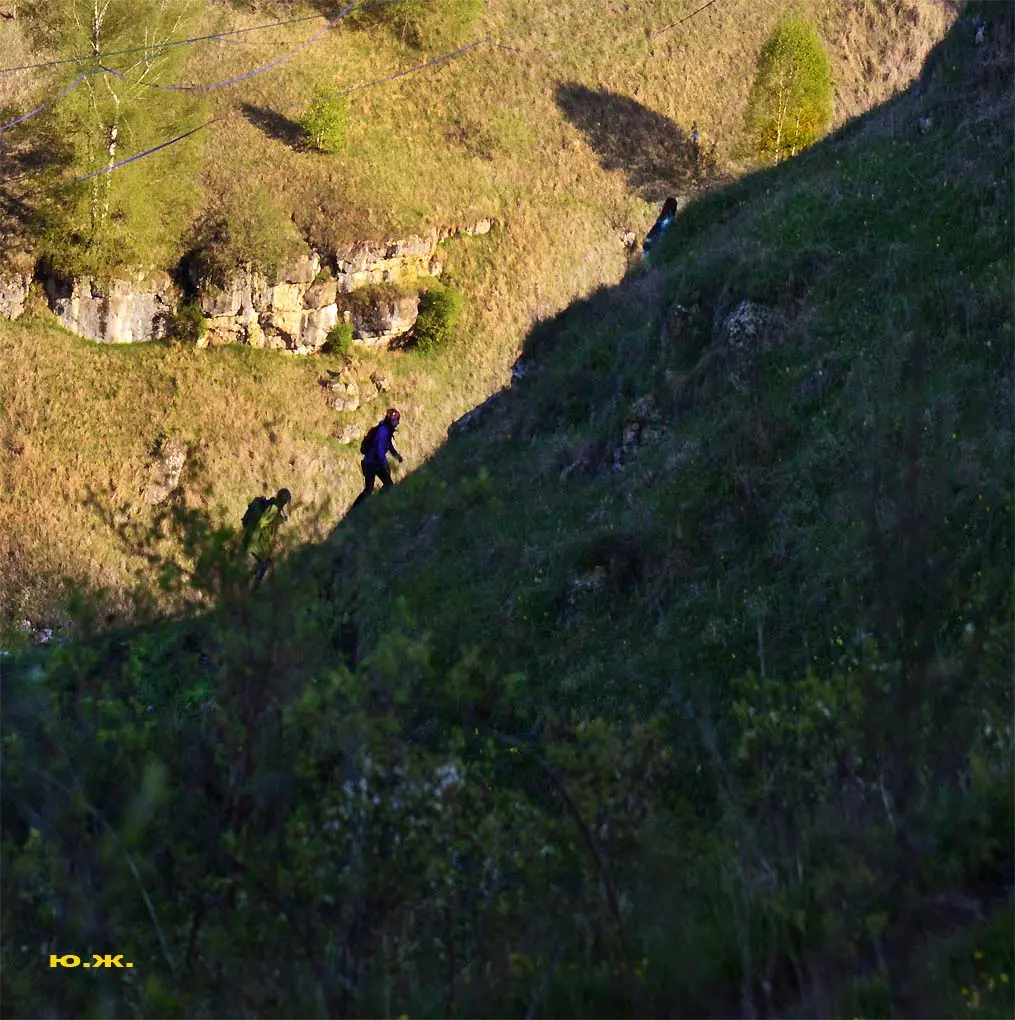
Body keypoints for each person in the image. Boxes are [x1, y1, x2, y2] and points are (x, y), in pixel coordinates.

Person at [352, 407, 404, 508]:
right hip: (371, 463)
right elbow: (379, 449)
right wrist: (385, 463)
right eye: (396, 421)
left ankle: (377, 504)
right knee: (369, 489)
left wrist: (396, 455)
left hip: (374, 462)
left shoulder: (386, 429)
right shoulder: (383, 430)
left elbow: (388, 445)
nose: (397, 423)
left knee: (387, 485)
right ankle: (355, 509)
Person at [242, 488, 291, 586]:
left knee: (252, 576)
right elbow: (262, 523)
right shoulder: (274, 509)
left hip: (256, 548)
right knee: (248, 578)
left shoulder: (272, 506)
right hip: (257, 549)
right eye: (285, 502)